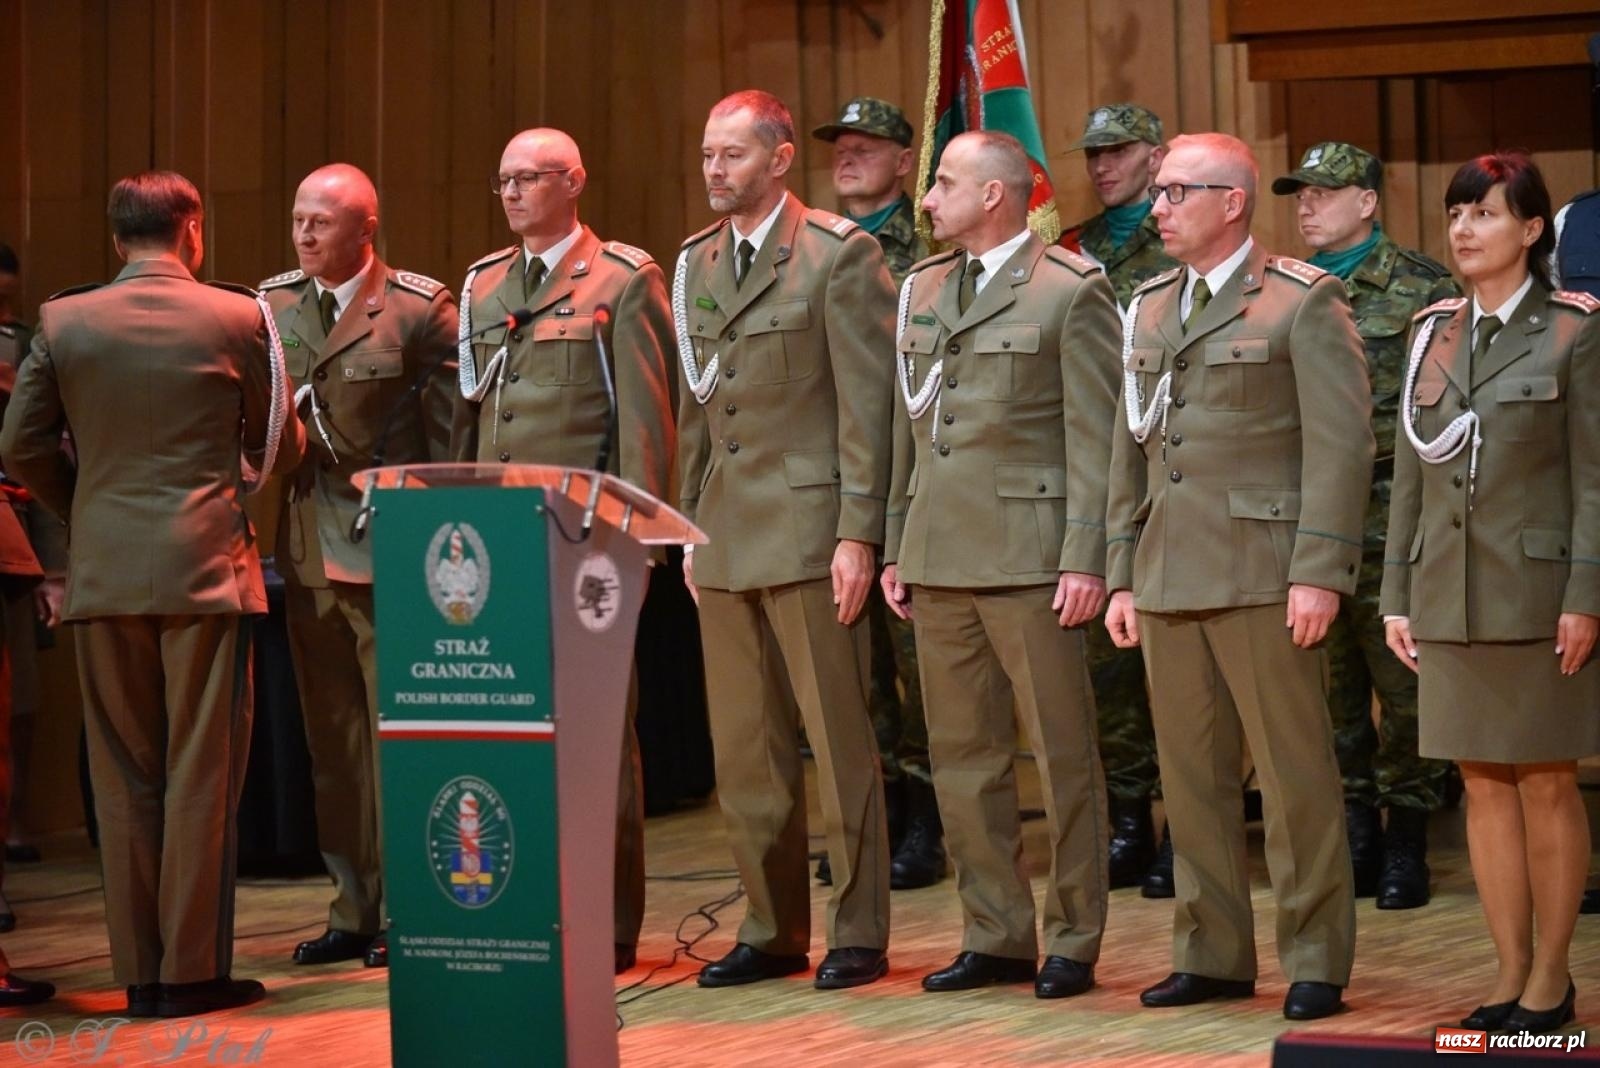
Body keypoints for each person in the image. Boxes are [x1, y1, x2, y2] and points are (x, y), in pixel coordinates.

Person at [0, 170, 304, 1017]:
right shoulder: (240, 315)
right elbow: (279, 439)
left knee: (124, 774)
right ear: (193, 231)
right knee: (201, 773)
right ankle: (192, 972)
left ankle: (139, 973)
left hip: (105, 571)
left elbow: (19, 443)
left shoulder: (62, 320)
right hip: (205, 570)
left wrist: (85, 512)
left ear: (115, 236)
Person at [1104, 133, 1372, 1021]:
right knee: (1191, 781)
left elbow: (1342, 446)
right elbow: (1129, 453)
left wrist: (1321, 569)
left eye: (1178, 192)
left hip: (1266, 572)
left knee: (1294, 782)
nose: (1159, 207)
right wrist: (1118, 573)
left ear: (1232, 200)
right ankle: (1212, 951)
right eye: (1159, 192)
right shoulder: (1145, 307)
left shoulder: (1301, 301)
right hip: (1170, 569)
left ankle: (1315, 958)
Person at [882, 130, 1118, 998]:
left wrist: (1085, 555)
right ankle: (995, 931)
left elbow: (1097, 440)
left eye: (943, 182)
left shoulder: (1068, 291)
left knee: (1061, 757)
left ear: (994, 196)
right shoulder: (924, 289)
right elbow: (910, 431)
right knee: (962, 757)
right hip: (940, 554)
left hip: (1031, 556)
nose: (928, 198)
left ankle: (1073, 936)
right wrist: (897, 542)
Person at [676, 89, 894, 990]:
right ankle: (769, 928)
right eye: (706, 155)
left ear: (776, 160)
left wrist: (859, 532)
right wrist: (684, 522)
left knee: (838, 743)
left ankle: (857, 928)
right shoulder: (694, 263)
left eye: (731, 154)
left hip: (810, 528)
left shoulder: (839, 256)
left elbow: (867, 404)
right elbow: (695, 407)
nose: (714, 171)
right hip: (725, 531)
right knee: (746, 746)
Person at [1382, 151, 1600, 1034]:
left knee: (1547, 782)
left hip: (1540, 591)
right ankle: (1508, 975)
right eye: (1456, 214)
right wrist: (1398, 591)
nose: (1465, 230)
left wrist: (1587, 594)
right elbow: (1406, 474)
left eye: (1485, 214)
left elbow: (1595, 480)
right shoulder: (1431, 331)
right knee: (1481, 784)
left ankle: (1553, 980)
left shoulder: (1576, 331)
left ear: (1532, 229)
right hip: (1449, 593)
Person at [451, 127, 676, 974]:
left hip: (587, 544)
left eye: (530, 178)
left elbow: (646, 424)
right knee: (511, 734)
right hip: (496, 549)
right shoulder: (482, 287)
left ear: (574, 180)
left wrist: (636, 544)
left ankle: (607, 920)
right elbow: (475, 422)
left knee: (595, 738)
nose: (512, 193)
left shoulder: (622, 278)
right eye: (502, 179)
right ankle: (530, 908)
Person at [259, 164, 456, 971]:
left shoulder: (416, 308)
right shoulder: (271, 306)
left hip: (390, 552)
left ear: (365, 229)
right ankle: (353, 903)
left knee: (397, 741)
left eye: (322, 222)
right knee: (333, 746)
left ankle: (411, 907)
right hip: (307, 550)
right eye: (299, 218)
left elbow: (450, 440)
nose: (305, 234)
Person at [1271, 142, 1460, 910]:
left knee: (1405, 687)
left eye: (1326, 191)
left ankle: (1408, 838)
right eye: (1300, 193)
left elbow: (1445, 411)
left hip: (1392, 515)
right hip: (1308, 516)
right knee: (1327, 686)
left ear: (1369, 202)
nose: (1308, 204)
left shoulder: (1423, 287)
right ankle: (1354, 828)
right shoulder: (1279, 290)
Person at [811, 96, 943, 889]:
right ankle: (878, 811)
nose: (850, 155)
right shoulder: (813, 248)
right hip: (831, 478)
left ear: (907, 162)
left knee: (917, 662)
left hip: (913, 479)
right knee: (852, 667)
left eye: (871, 145)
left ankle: (927, 822)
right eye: (841, 144)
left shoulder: (926, 251)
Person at [1062, 103, 1179, 894]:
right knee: (1108, 669)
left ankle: (1190, 827)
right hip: (1097, 465)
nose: (1103, 166)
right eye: (1093, 153)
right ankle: (1131, 817)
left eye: (1120, 151)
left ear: (1156, 155)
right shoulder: (1069, 249)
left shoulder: (1179, 238)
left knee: (1179, 668)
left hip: (1171, 462)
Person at [0, 243, 64, 905]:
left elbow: (34, 457)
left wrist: (55, 565)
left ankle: (15, 823)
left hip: (10, 542)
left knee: (17, 706)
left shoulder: (25, 349)